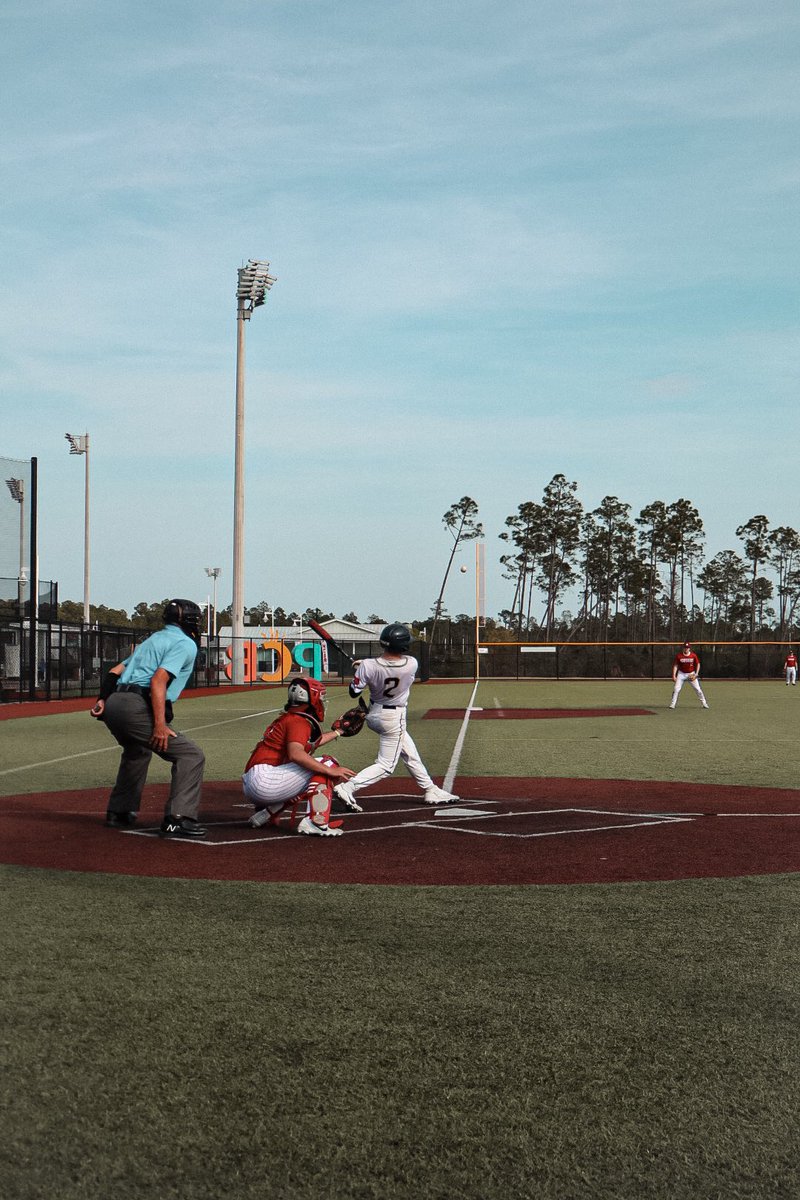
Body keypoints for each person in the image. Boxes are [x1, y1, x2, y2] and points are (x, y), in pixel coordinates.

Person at [91, 599, 207, 838]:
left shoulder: (152, 640)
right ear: (189, 621)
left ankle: (119, 812)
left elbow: (114, 672)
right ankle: (178, 819)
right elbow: (158, 681)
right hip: (136, 705)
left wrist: (102, 699)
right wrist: (160, 725)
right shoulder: (184, 643)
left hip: (114, 702)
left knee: (136, 750)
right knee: (190, 755)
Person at [332, 623, 459, 813]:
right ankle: (348, 787)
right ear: (403, 646)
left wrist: (360, 670)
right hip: (393, 717)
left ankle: (430, 789)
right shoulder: (411, 664)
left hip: (374, 714)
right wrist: (365, 666)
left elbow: (354, 691)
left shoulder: (368, 665)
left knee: (409, 753)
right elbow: (388, 668)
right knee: (386, 765)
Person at [242, 676, 355, 837]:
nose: (322, 702)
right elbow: (296, 753)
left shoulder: (289, 717)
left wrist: (338, 732)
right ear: (312, 698)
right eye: (321, 698)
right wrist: (331, 771)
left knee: (312, 773)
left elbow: (308, 744)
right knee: (328, 764)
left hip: (256, 781)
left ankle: (268, 812)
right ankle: (316, 821)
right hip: (265, 781)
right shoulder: (298, 721)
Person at [669, 641, 709, 710]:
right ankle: (673, 704)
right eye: (685, 647)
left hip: (691, 673)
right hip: (681, 673)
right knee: (676, 689)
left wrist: (696, 674)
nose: (686, 649)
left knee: (698, 689)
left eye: (687, 648)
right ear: (683, 648)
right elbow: (675, 665)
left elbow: (698, 664)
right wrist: (674, 675)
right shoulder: (679, 656)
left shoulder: (693, 655)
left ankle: (704, 703)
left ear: (689, 648)